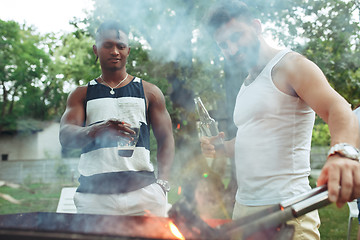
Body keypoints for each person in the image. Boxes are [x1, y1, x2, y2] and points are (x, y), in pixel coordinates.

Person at [201, 1, 360, 239]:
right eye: (223, 44)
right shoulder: (248, 82)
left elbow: (338, 108)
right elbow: (250, 139)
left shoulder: (290, 65)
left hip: (287, 211)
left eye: (236, 36)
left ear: (256, 27)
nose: (231, 49)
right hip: (244, 209)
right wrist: (220, 148)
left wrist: (342, 153)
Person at [59, 21, 174, 217]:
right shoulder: (81, 94)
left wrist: (162, 183)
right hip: (94, 198)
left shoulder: (150, 92)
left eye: (120, 46)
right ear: (96, 49)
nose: (115, 51)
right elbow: (65, 137)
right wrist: (96, 130)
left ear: (128, 50)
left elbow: (166, 139)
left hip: (144, 195)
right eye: (107, 45)